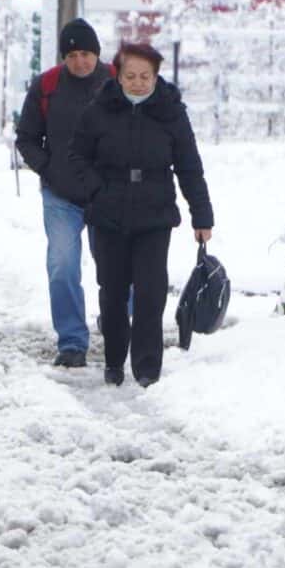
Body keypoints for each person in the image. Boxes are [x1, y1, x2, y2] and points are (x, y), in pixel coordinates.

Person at [69, 42, 214, 387]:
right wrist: (97, 190)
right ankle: (115, 359)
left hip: (155, 214)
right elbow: (77, 157)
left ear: (155, 76)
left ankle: (148, 367)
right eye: (131, 76)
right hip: (108, 214)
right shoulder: (98, 110)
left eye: (145, 76)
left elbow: (190, 166)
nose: (138, 83)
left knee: (151, 290)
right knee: (113, 291)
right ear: (118, 75)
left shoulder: (171, 112)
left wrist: (202, 216)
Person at [15, 18, 115, 368]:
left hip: (110, 194)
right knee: (62, 266)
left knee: (120, 268)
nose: (80, 62)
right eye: (72, 55)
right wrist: (48, 168)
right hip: (61, 196)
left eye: (86, 53)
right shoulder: (47, 86)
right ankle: (72, 341)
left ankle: (120, 326)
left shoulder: (119, 81)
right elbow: (25, 137)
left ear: (97, 54)